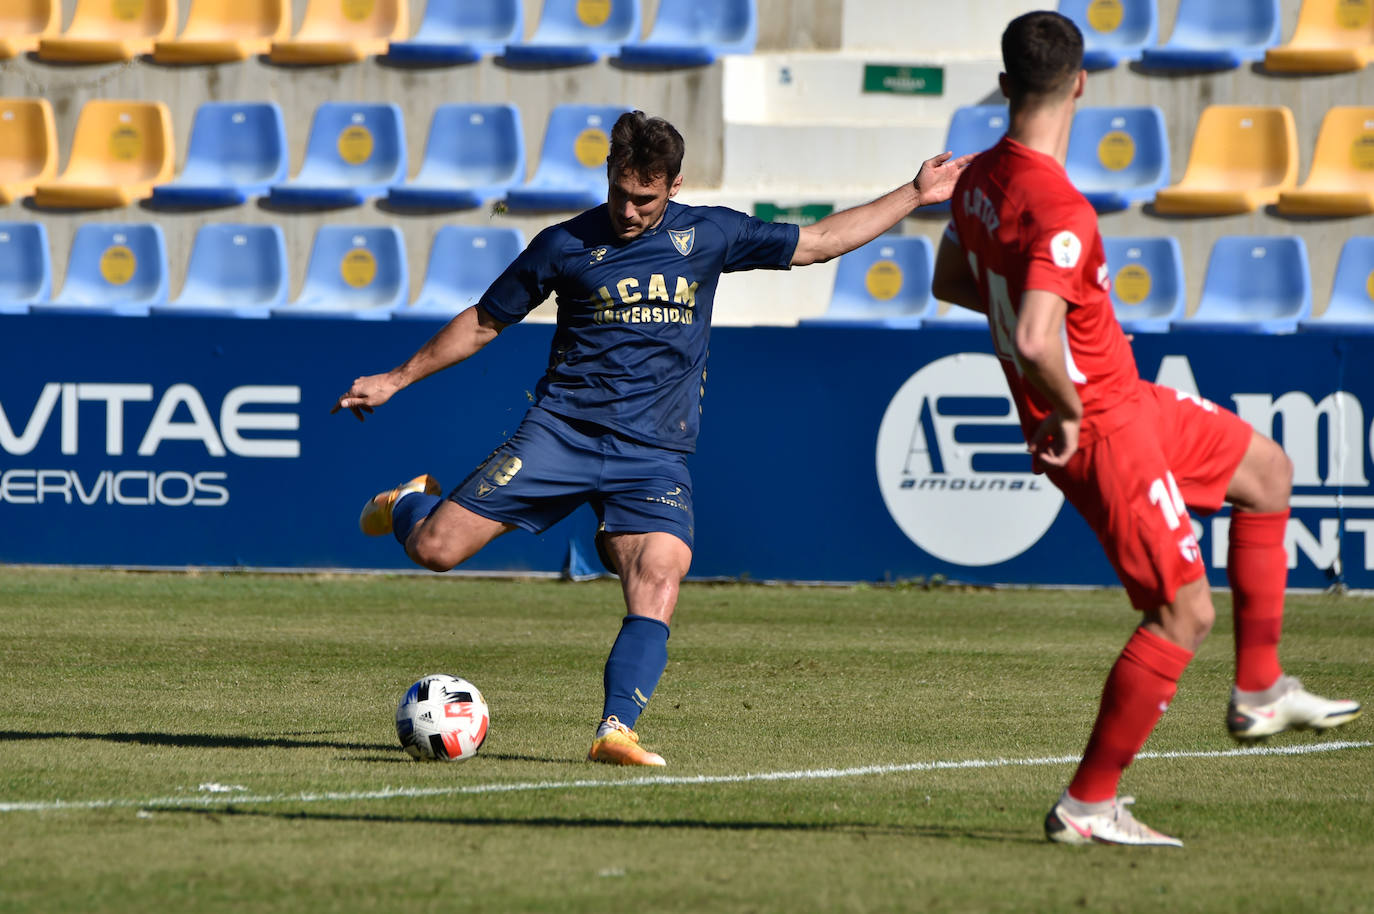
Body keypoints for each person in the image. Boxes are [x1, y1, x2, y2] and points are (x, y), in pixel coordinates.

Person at [334, 110, 972, 767]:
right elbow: (483, 322)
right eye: (620, 192)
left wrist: (915, 193)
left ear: (673, 185)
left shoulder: (712, 233)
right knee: (437, 549)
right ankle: (410, 499)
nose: (630, 210)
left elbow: (820, 241)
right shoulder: (564, 244)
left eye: (646, 198)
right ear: (608, 175)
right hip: (562, 433)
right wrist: (394, 378)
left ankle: (616, 729)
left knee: (660, 575)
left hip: (652, 455)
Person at [932, 11, 1361, 847]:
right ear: (1083, 83)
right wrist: (1062, 404)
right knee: (1184, 613)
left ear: (1005, 82)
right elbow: (1031, 337)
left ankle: (1262, 688)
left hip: (1123, 398)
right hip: (1099, 424)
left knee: (1267, 472)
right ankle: (1087, 806)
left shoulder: (979, 176)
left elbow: (953, 278)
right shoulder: (1060, 206)